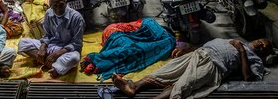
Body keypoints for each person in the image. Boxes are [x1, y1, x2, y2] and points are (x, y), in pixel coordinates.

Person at [113, 38, 274, 99]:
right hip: (199, 53)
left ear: (263, 53)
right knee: (164, 72)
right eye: (261, 41)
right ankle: (133, 86)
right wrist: (189, 48)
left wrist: (241, 51)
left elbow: (248, 78)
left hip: (213, 65)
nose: (261, 44)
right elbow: (207, 44)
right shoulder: (237, 40)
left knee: (183, 84)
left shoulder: (254, 59)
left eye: (264, 46)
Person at [18, 0, 85, 78]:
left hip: (66, 50)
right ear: (50, 6)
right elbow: (47, 35)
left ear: (65, 3)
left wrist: (57, 54)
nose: (58, 9)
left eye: (61, 5)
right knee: (23, 43)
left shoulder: (76, 18)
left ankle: (47, 62)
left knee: (75, 58)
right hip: (51, 45)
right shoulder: (49, 13)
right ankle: (52, 63)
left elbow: (76, 43)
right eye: (55, 6)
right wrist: (42, 47)